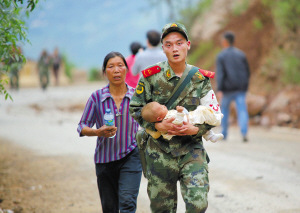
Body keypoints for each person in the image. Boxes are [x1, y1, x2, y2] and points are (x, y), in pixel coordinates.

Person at [129, 22, 221, 212]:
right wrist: (157, 127)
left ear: (188, 45)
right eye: (169, 45)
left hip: (191, 150)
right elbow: (136, 108)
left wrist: (196, 129)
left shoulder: (200, 78)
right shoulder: (150, 77)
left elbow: (212, 113)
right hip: (159, 153)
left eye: (179, 43)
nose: (175, 49)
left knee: (198, 205)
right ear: (163, 48)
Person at [77, 51, 142, 213]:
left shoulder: (137, 97)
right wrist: (97, 132)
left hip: (131, 156)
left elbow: (150, 121)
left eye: (120, 66)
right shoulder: (97, 98)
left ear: (126, 69)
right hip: (104, 160)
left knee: (127, 202)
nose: (116, 70)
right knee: (109, 208)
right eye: (111, 67)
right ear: (104, 72)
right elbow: (82, 126)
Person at [216, 31, 250, 142]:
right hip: (240, 88)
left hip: (227, 90)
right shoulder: (241, 54)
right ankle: (244, 132)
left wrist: (219, 88)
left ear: (225, 42)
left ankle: (224, 133)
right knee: (242, 110)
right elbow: (247, 72)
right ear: (233, 41)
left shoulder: (221, 56)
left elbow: (220, 74)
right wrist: (245, 86)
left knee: (225, 110)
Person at [141, 101, 223, 142]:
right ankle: (216, 119)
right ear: (159, 118)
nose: (163, 105)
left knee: (203, 122)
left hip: (189, 119)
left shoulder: (167, 115)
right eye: (161, 107)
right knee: (202, 111)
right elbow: (178, 122)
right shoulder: (168, 118)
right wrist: (180, 112)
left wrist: (184, 111)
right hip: (190, 120)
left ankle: (211, 137)